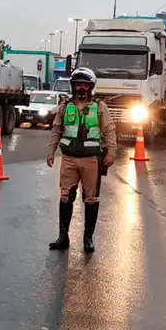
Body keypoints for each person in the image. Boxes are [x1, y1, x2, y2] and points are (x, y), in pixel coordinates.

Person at [46, 67, 117, 252]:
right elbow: (56, 130)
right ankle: (63, 236)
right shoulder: (65, 107)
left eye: (85, 85)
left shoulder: (99, 107)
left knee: (91, 199)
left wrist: (111, 152)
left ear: (91, 87)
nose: (81, 88)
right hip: (69, 159)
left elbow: (109, 130)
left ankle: (88, 238)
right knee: (66, 196)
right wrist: (51, 151)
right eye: (78, 84)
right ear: (73, 86)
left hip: (91, 159)